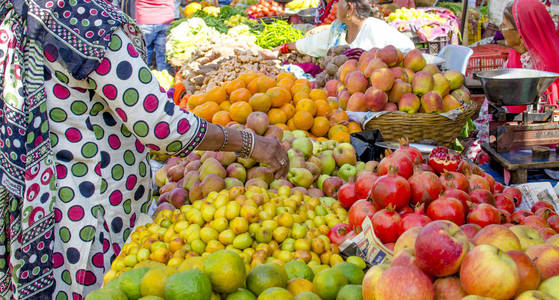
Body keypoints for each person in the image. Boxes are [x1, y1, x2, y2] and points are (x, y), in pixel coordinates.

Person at [0, 0, 289, 298]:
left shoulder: (25, 9)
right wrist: (248, 143)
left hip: (43, 199)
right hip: (88, 213)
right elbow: (158, 124)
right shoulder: (85, 20)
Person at [466, 0, 559, 161]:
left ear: (521, 32)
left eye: (504, 26)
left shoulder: (546, 66)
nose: (501, 31)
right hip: (508, 133)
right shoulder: (514, 58)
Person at [279, 0, 414, 57]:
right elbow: (313, 42)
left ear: (349, 8)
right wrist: (284, 48)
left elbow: (408, 51)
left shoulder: (375, 29)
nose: (336, 6)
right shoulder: (339, 29)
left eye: (340, 3)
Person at [135, 0, 174, 71]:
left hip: (145, 18)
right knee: (163, 55)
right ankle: (164, 79)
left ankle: (144, 77)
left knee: (144, 54)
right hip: (165, 17)